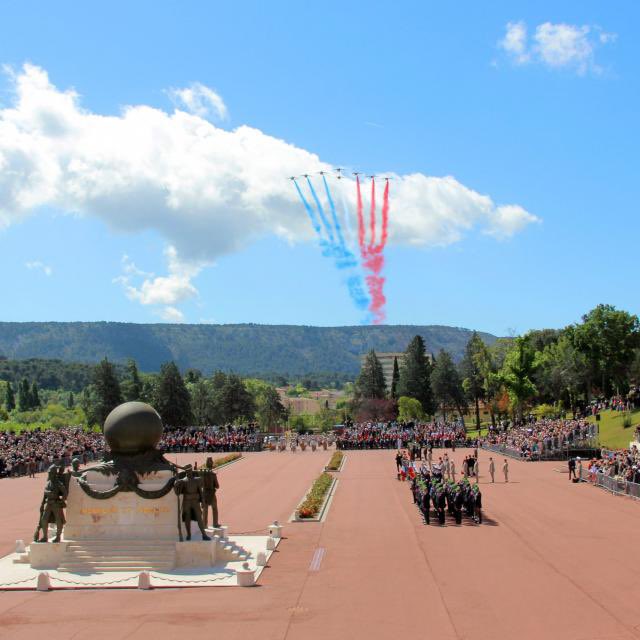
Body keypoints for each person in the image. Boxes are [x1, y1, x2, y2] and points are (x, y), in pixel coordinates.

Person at [174, 465, 211, 541]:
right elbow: (177, 492)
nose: (189, 472)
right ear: (186, 472)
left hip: (195, 501)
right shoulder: (183, 481)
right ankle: (188, 535)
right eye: (187, 471)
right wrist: (176, 484)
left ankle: (204, 535)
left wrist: (203, 502)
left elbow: (200, 491)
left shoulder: (196, 480)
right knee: (187, 518)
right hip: (187, 501)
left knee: (199, 518)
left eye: (190, 471)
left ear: (191, 471)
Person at [201, 457, 221, 529]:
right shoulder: (213, 474)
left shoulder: (202, 473)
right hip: (212, 493)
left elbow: (200, 484)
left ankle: (204, 525)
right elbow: (217, 486)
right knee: (214, 508)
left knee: (205, 510)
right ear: (212, 464)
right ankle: (215, 523)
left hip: (204, 493)